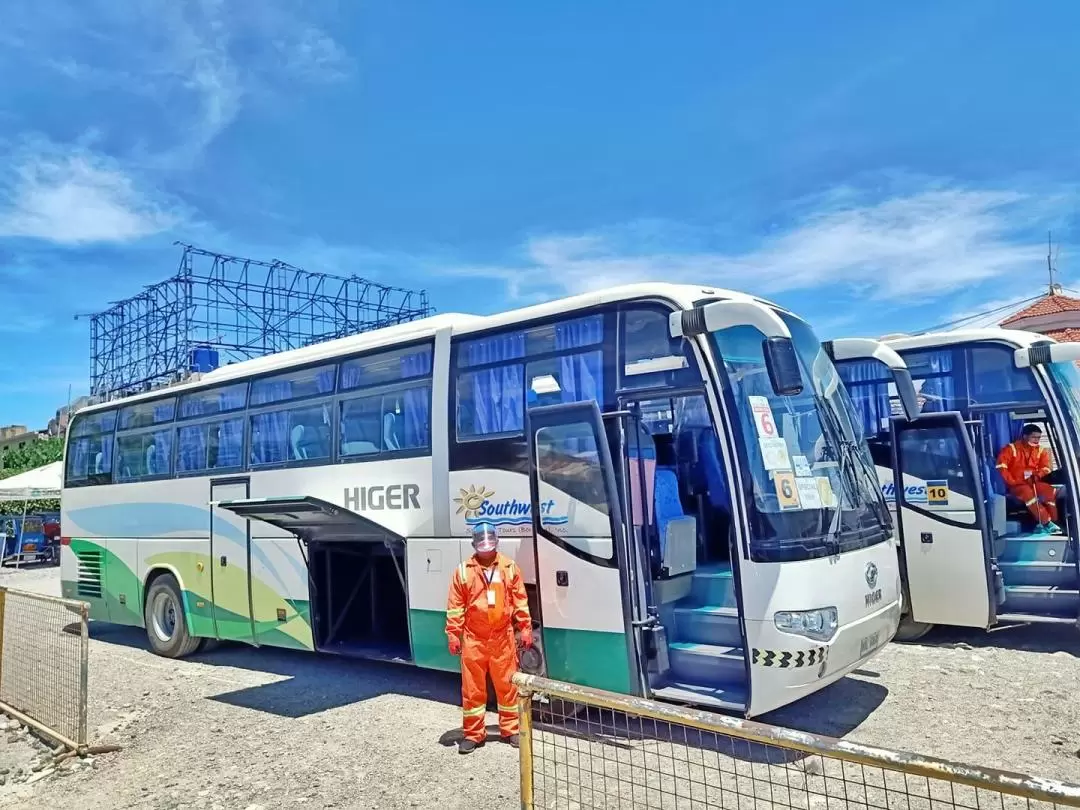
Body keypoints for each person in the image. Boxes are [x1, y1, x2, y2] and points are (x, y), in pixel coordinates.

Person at [445, 521, 533, 754]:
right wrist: (453, 634)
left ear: (496, 541)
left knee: (507, 686)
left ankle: (511, 729)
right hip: (474, 638)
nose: (486, 545)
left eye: (489, 541)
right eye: (482, 542)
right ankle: (474, 734)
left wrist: (524, 627)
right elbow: (455, 606)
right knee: (473, 689)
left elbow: (519, 600)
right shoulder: (464, 571)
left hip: (502, 637)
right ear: (474, 544)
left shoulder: (508, 567)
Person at [996, 424, 1061, 534]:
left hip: (1034, 481)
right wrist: (1012, 481)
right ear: (1025, 436)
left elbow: (1046, 468)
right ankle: (1046, 522)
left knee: (1049, 491)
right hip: (1017, 485)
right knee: (1028, 494)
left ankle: (1055, 521)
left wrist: (1038, 475)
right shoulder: (1010, 449)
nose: (1037, 440)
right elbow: (1001, 467)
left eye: (1039, 438)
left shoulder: (1041, 450)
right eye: (1034, 437)